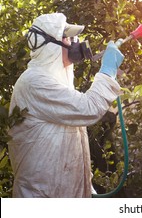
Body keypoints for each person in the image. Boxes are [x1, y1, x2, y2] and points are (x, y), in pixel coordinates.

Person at [7, 13, 124, 197]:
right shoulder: (34, 82)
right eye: (68, 37)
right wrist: (107, 72)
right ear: (51, 46)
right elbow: (89, 108)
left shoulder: (55, 81)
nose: (75, 42)